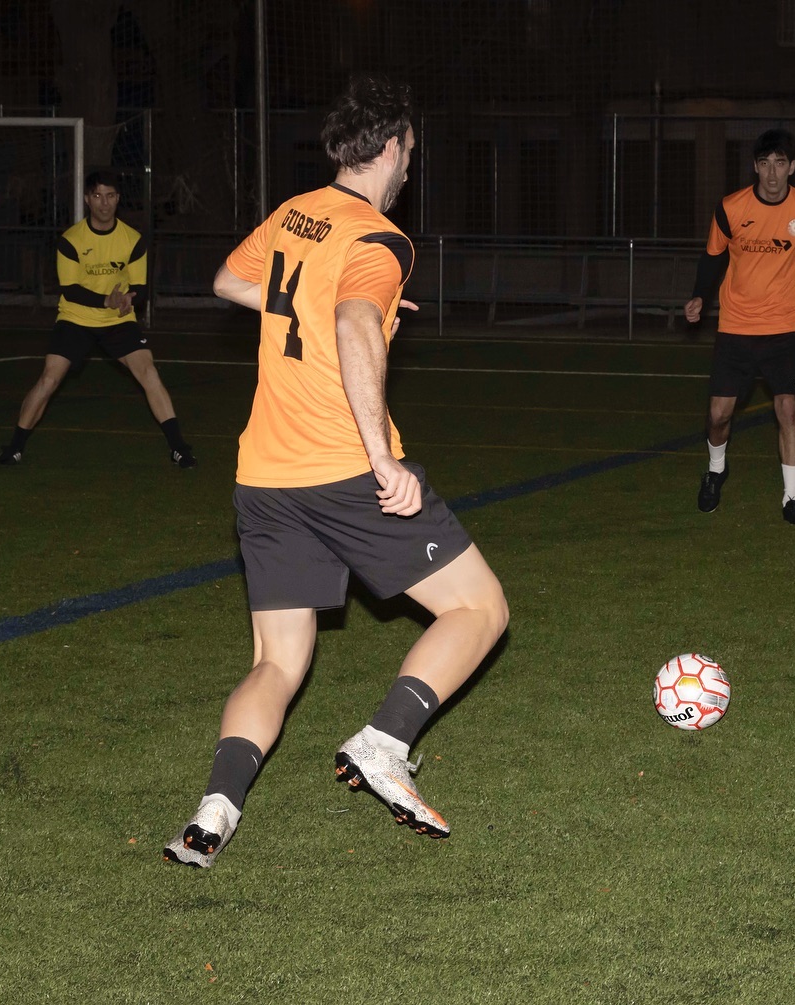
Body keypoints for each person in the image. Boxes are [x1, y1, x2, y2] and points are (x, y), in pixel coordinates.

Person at [164, 75, 509, 868]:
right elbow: (354, 323)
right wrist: (382, 455)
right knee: (480, 608)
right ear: (389, 148)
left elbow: (230, 281)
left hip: (265, 473)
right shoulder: (381, 239)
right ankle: (385, 740)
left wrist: (338, 303)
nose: (411, 165)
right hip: (344, 469)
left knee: (277, 662)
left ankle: (214, 812)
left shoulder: (296, 212)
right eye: (410, 150)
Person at [684, 129, 795, 526]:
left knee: (788, 408)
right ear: (755, 166)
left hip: (785, 326)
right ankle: (716, 469)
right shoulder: (730, 208)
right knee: (719, 415)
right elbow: (712, 257)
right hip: (736, 325)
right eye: (765, 164)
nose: (772, 173)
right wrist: (700, 295)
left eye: (780, 164)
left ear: (792, 167)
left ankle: (791, 498)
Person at [0, 170, 195, 468]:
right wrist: (106, 300)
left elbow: (140, 288)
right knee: (49, 378)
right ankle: (15, 447)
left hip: (117, 321)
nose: (105, 203)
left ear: (118, 198)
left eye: (111, 196)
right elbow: (70, 289)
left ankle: (179, 448)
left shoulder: (133, 240)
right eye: (98, 196)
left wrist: (128, 299)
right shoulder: (71, 240)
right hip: (76, 318)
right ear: (87, 199)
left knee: (149, 372)